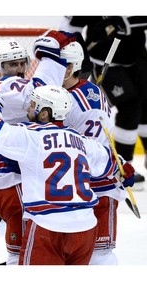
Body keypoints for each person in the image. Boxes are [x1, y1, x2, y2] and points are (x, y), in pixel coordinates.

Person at [0, 81, 136, 265]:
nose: (29, 107)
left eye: (34, 105)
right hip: (84, 229)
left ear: (45, 113)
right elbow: (110, 161)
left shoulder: (30, 137)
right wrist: (125, 169)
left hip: (48, 227)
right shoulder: (81, 141)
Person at [0, 32, 73, 265]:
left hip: (5, 183)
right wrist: (51, 56)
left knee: (22, 246)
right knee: (22, 251)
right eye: (11, 64)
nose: (19, 69)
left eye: (22, 63)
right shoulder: (6, 88)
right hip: (11, 182)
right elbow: (35, 93)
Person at [60, 16, 147, 191]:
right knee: (129, 107)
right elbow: (68, 25)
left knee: (145, 107)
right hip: (105, 62)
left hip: (137, 57)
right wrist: (80, 48)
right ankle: (123, 166)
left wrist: (126, 22)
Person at [60, 40, 128, 264]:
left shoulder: (64, 100)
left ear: (71, 67)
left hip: (92, 185)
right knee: (87, 253)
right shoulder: (93, 91)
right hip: (95, 180)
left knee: (99, 256)